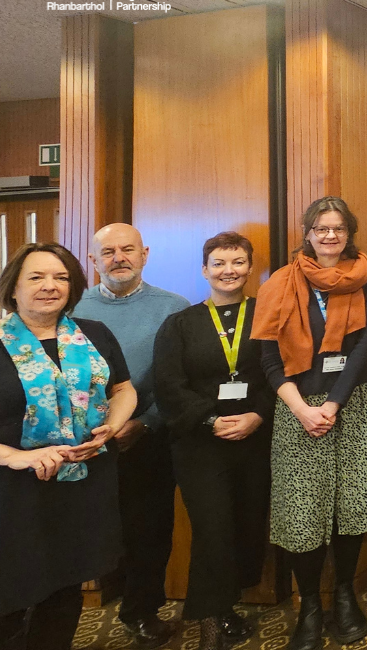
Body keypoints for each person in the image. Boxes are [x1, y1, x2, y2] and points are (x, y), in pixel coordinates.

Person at [252, 196, 367, 650]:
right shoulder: (279, 282)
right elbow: (270, 358)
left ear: (350, 233)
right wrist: (300, 408)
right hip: (297, 407)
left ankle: (346, 593)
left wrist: (333, 403)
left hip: (355, 403)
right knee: (302, 512)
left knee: (352, 507)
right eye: (321, 228)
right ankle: (311, 605)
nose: (330, 236)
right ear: (307, 233)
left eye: (338, 228)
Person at [0, 243, 137, 650]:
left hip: (82, 482)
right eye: (37, 277)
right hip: (14, 490)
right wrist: (21, 457)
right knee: (12, 590)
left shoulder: (93, 334)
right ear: (13, 288)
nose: (50, 286)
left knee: (66, 585)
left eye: (60, 277)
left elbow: (124, 389)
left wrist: (112, 426)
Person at [153, 233, 273, 649]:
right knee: (212, 528)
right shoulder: (180, 324)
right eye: (219, 263)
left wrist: (257, 414)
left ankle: (225, 607)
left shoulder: (266, 315)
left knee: (245, 524)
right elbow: (168, 384)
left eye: (238, 262)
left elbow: (279, 373)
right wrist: (210, 419)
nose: (229, 271)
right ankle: (208, 623)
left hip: (255, 439)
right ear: (205, 270)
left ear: (250, 267)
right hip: (201, 444)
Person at [73, 223, 190, 648]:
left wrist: (145, 423)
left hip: (147, 437)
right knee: (87, 529)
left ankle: (141, 611)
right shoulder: (71, 307)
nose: (118, 258)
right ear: (92, 260)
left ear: (145, 253)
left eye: (127, 249)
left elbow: (180, 380)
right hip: (81, 443)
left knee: (149, 531)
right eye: (107, 252)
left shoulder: (173, 307)